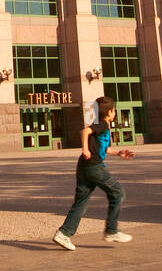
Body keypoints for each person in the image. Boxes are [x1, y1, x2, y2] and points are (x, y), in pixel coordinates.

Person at [53, 96, 134, 250]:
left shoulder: (103, 126)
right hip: (93, 167)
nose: (114, 113)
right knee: (118, 193)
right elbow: (84, 131)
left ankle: (63, 234)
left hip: (84, 166)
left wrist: (119, 153)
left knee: (81, 203)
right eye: (114, 110)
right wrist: (85, 148)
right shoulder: (102, 124)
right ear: (110, 112)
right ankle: (111, 230)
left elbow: (104, 148)